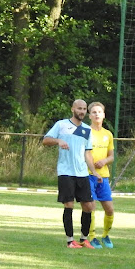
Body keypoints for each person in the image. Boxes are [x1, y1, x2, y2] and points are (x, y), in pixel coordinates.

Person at [43, 99, 100, 248]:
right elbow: (46, 140)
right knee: (69, 204)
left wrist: (94, 172)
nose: (82, 111)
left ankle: (83, 239)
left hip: (82, 173)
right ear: (72, 109)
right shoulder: (61, 125)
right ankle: (70, 241)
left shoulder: (87, 130)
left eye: (84, 109)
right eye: (79, 108)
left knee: (88, 206)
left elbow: (88, 154)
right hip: (66, 172)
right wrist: (58, 141)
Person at [86, 101, 115, 249]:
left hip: (103, 177)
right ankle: (92, 237)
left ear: (104, 115)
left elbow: (111, 156)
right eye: (94, 112)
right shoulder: (85, 132)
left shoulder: (108, 134)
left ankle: (105, 235)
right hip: (89, 175)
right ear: (89, 115)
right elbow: (85, 154)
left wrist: (104, 161)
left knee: (109, 209)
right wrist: (94, 170)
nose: (97, 114)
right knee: (91, 206)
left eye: (99, 112)